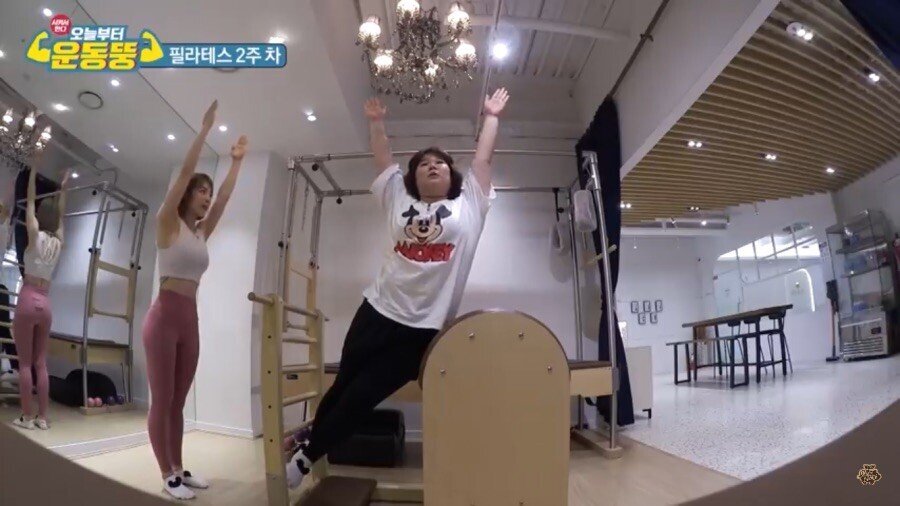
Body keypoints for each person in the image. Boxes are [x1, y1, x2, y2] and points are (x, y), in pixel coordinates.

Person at [286, 88, 510, 488]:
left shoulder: (470, 205)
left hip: (423, 329)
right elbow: (383, 159)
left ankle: (307, 455)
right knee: (343, 385)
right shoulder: (396, 197)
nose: (432, 166)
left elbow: (483, 160)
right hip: (377, 310)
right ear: (413, 177)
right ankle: (313, 439)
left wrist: (492, 116)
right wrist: (376, 123)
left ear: (451, 175)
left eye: (439, 163)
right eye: (424, 163)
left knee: (364, 395)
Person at [142, 100, 248, 500]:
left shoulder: (201, 234)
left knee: (178, 402)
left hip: (190, 319)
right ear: (186, 194)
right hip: (163, 319)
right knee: (162, 400)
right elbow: (186, 171)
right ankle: (166, 474)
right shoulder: (166, 223)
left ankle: (178, 468)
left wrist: (237, 162)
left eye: (208, 191)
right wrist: (204, 131)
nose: (207, 197)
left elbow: (225, 199)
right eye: (200, 191)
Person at [11, 159, 71, 431]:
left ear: (39, 216)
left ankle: (26, 416)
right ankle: (43, 418)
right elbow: (62, 214)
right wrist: (63, 189)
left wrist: (34, 171)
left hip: (27, 299)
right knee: (40, 363)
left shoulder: (34, 234)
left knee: (25, 364)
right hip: (45, 303)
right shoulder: (58, 241)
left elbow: (31, 201)